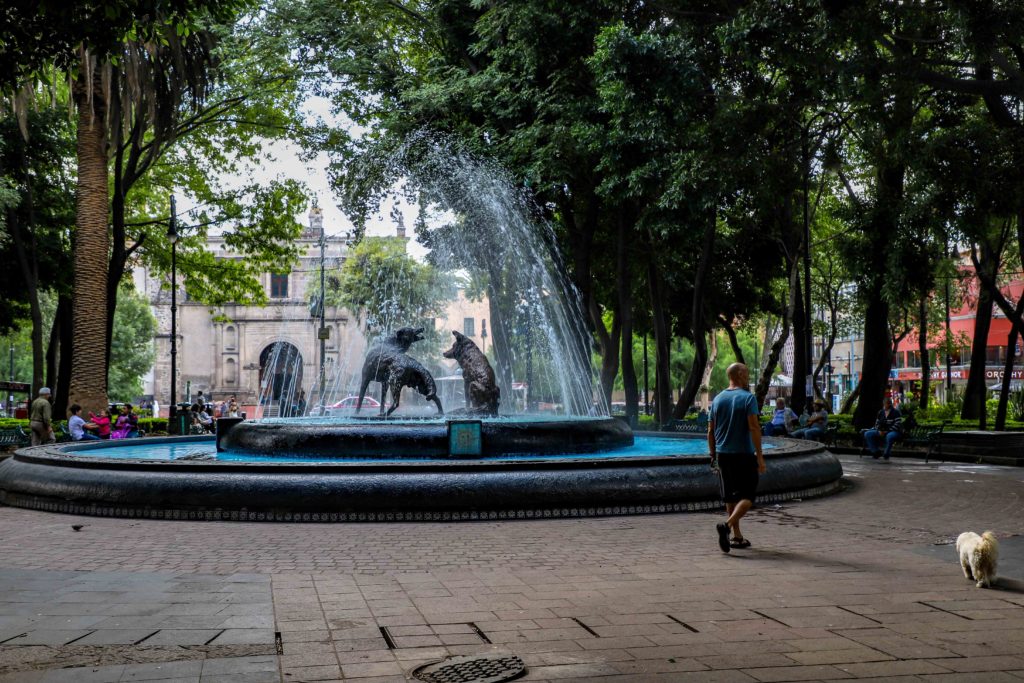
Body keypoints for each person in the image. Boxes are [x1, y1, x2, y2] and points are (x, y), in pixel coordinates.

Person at [708, 363, 766, 553]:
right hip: (743, 454)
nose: (748, 376)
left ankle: (737, 536)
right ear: (739, 374)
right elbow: (754, 427)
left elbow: (710, 431)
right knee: (748, 495)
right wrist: (760, 456)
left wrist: (712, 455)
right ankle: (727, 525)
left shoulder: (717, 399)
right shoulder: (748, 398)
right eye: (747, 372)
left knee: (730, 496)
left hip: (723, 455)